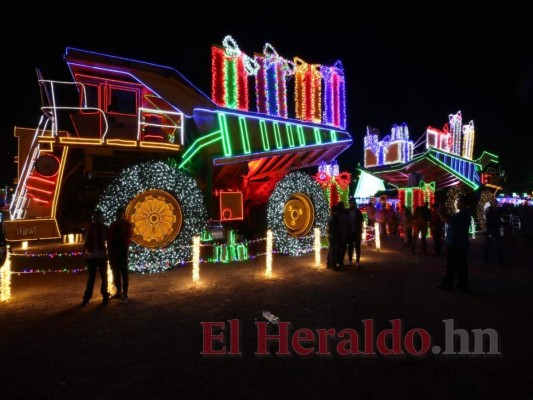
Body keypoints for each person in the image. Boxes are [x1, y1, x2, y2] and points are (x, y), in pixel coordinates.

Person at [439, 196, 472, 291]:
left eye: (459, 202)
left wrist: (440, 213)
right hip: (459, 243)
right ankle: (461, 284)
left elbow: (449, 221)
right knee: (460, 265)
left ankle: (450, 283)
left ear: (464, 204)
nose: (457, 204)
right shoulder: (464, 214)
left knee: (452, 264)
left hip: (456, 243)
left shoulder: (463, 214)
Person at [81, 209, 109, 307]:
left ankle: (105, 295)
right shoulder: (91, 228)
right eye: (96, 217)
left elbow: (109, 241)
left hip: (101, 256)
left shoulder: (105, 228)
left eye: (98, 217)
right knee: (91, 278)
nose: (97, 218)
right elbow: (86, 242)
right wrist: (84, 253)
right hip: (92, 256)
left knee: (104, 277)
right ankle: (87, 297)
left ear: (101, 218)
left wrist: (108, 252)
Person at [108, 207, 133, 302]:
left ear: (123, 214)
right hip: (113, 252)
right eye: (117, 214)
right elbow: (109, 237)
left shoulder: (126, 224)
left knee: (124, 273)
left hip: (122, 251)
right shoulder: (113, 224)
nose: (118, 215)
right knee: (115, 273)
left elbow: (128, 237)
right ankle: (119, 291)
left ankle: (125, 293)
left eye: (120, 213)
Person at [347, 198, 364, 266]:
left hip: (357, 232)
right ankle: (350, 260)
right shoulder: (347, 212)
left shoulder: (358, 212)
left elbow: (361, 221)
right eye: (352, 203)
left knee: (357, 247)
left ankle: (357, 260)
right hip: (350, 232)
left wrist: (360, 229)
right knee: (350, 247)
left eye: (353, 203)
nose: (353, 204)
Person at [326, 204, 341, 270]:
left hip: (330, 235)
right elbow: (335, 228)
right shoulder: (334, 218)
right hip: (333, 236)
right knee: (333, 250)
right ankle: (333, 265)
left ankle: (329, 263)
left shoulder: (330, 217)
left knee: (330, 250)